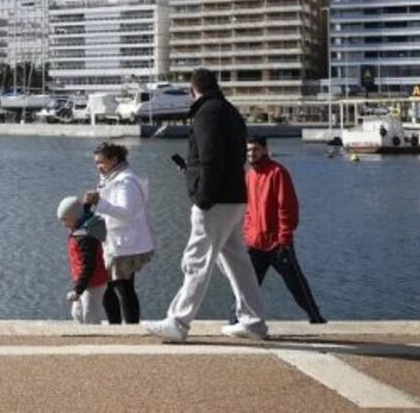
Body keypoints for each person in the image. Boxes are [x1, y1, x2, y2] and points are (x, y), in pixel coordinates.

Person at [143, 68, 268, 343]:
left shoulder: (206, 113)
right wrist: (194, 173)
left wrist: (202, 196)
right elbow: (223, 157)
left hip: (215, 200)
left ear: (192, 90)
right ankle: (254, 322)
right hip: (235, 197)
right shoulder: (230, 111)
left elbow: (210, 158)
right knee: (238, 263)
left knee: (196, 260)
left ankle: (178, 322)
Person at [238, 135, 326, 324]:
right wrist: (247, 233)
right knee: (245, 286)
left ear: (264, 149)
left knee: (296, 284)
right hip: (255, 244)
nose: (251, 154)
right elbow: (248, 210)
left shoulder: (278, 173)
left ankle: (315, 316)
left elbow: (287, 207)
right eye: (248, 150)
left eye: (255, 149)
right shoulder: (249, 175)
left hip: (278, 244)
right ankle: (235, 320)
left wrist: (284, 239)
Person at [82, 142, 154, 324]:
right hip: (116, 241)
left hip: (124, 243)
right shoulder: (113, 177)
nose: (98, 166)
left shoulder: (126, 182)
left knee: (121, 287)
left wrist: (100, 203)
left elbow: (127, 211)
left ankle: (128, 327)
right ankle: (118, 326)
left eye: (101, 162)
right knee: (111, 287)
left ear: (114, 160)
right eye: (96, 162)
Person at [57, 195, 109, 324]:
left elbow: (88, 266)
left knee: (90, 315)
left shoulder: (85, 238)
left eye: (65, 220)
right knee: (77, 312)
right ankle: (86, 334)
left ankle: (95, 340)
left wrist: (78, 290)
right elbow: (82, 211)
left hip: (94, 282)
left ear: (75, 218)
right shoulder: (79, 227)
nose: (63, 224)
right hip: (83, 282)